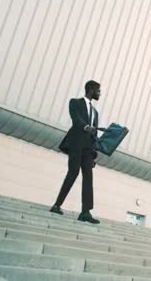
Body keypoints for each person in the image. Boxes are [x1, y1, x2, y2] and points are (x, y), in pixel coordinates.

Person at [50, 80, 104, 224]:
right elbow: (76, 119)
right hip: (76, 143)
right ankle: (57, 205)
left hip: (88, 148)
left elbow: (94, 135)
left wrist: (93, 155)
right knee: (73, 172)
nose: (100, 93)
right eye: (98, 90)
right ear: (91, 90)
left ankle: (86, 212)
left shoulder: (95, 112)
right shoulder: (75, 102)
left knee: (88, 177)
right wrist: (86, 127)